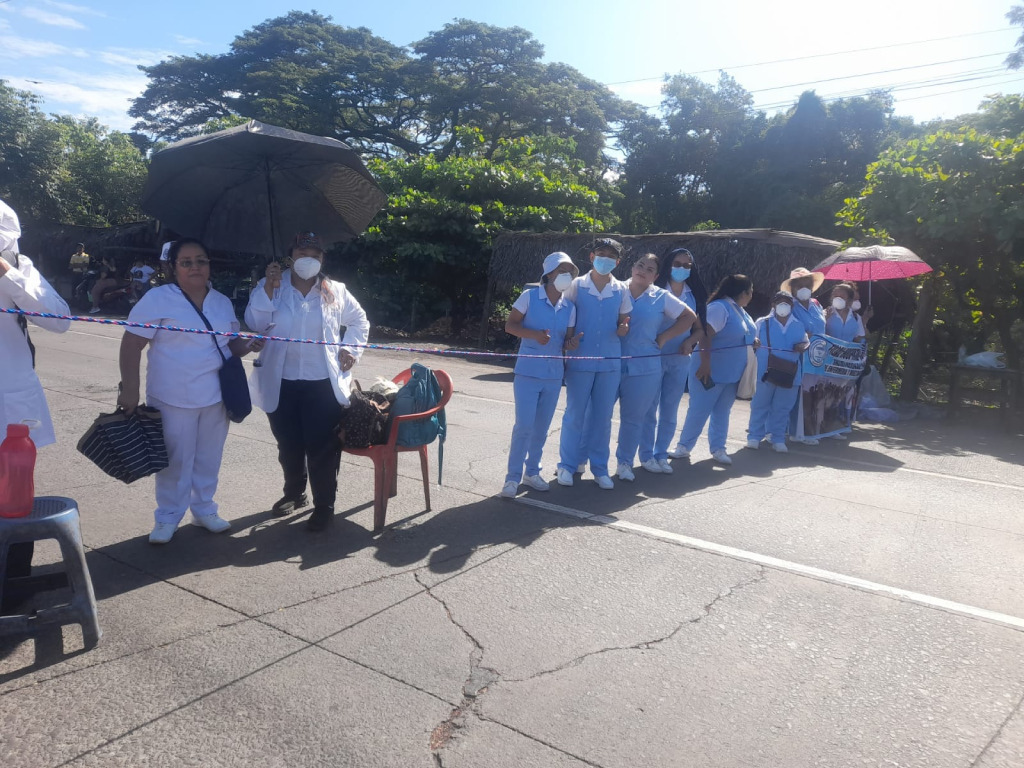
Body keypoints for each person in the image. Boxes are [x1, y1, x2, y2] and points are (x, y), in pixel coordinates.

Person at [117, 238, 257, 544]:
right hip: (172, 396)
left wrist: (249, 344)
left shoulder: (221, 301)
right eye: (187, 262)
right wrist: (130, 390)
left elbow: (231, 346)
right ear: (172, 267)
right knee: (175, 460)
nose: (195, 267)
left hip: (216, 395)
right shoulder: (158, 299)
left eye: (201, 260)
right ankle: (167, 516)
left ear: (209, 265)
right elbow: (132, 343)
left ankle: (204, 509)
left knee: (209, 457)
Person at [245, 232, 370, 531]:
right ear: (291, 255)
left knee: (321, 445)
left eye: (316, 253)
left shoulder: (335, 291)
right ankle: (294, 494)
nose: (309, 258)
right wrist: (269, 290)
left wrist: (350, 350)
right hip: (281, 380)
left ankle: (324, 505)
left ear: (322, 259)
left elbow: (360, 321)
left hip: (321, 383)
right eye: (303, 251)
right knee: (288, 443)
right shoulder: (271, 286)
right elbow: (255, 323)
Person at [0, 200, 71, 612]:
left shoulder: (19, 266)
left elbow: (58, 319)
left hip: (10, 404)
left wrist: (7, 274)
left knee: (13, 496)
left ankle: (14, 584)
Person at [500, 252, 579, 498]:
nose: (566, 275)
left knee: (542, 428)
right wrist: (534, 335)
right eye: (561, 270)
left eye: (570, 271)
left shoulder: (570, 306)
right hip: (528, 372)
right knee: (523, 426)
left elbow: (565, 340)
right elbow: (510, 325)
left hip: (554, 375)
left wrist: (571, 344)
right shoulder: (529, 296)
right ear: (549, 274)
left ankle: (532, 472)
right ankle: (512, 478)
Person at [556, 238, 632, 490]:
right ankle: (566, 465)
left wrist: (623, 329)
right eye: (601, 254)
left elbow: (624, 323)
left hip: (610, 362)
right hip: (580, 360)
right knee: (575, 415)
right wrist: (568, 341)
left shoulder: (621, 290)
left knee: (603, 417)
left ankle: (599, 468)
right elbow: (564, 319)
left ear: (618, 262)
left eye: (611, 256)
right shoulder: (576, 286)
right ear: (591, 257)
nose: (605, 259)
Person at [615, 253, 697, 481]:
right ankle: (582, 461)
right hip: (611, 363)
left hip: (644, 366)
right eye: (640, 265)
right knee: (596, 415)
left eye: (649, 269)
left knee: (634, 418)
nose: (643, 270)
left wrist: (663, 338)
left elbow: (689, 317)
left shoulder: (660, 296)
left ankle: (625, 463)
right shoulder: (616, 289)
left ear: (656, 276)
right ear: (632, 267)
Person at [672, 274, 757, 465]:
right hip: (710, 370)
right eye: (750, 291)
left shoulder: (740, 311)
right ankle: (683, 447)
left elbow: (743, 335)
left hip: (731, 374)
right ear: (743, 292)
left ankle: (718, 448)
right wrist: (705, 363)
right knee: (700, 409)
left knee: (722, 411)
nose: (752, 295)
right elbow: (705, 335)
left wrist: (753, 342)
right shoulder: (720, 308)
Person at [640, 247, 707, 473]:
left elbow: (700, 329)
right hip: (653, 357)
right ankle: (646, 455)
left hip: (680, 360)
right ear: (668, 265)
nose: (681, 269)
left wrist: (690, 342)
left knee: (670, 409)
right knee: (649, 409)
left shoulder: (694, 294)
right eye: (677, 264)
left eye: (687, 266)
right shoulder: (655, 291)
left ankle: (661, 454)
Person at [745, 291, 809, 453]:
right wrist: (755, 342)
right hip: (765, 370)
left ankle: (778, 437)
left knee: (783, 407)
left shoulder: (799, 325)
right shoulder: (762, 322)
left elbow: (805, 344)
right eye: (780, 302)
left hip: (790, 372)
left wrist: (802, 347)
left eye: (787, 303)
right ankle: (754, 436)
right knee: (760, 404)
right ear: (773, 304)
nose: (784, 305)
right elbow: (751, 341)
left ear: (792, 306)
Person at [781, 267, 826, 336]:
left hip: (821, 346)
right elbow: (781, 330)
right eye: (800, 286)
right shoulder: (788, 306)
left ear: (811, 287)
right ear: (793, 288)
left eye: (807, 286)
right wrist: (802, 335)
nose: (804, 288)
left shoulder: (816, 304)